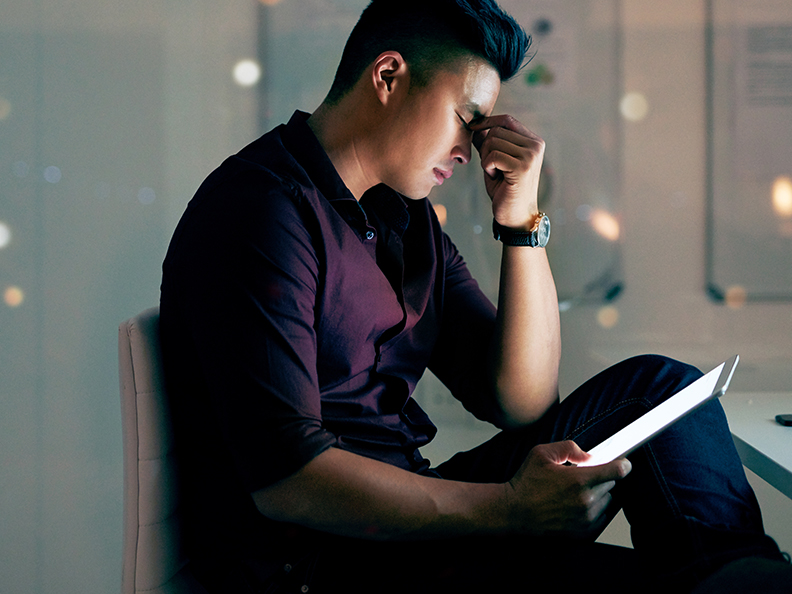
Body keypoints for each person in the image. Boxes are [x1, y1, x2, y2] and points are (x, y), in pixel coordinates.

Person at [159, 1, 790, 592]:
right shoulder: (262, 210)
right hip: (322, 558)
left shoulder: (405, 224)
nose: (469, 151)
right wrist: (511, 510)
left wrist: (522, 226)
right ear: (387, 76)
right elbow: (289, 481)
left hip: (409, 516)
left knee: (664, 390)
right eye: (467, 119)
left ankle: (746, 574)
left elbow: (520, 400)